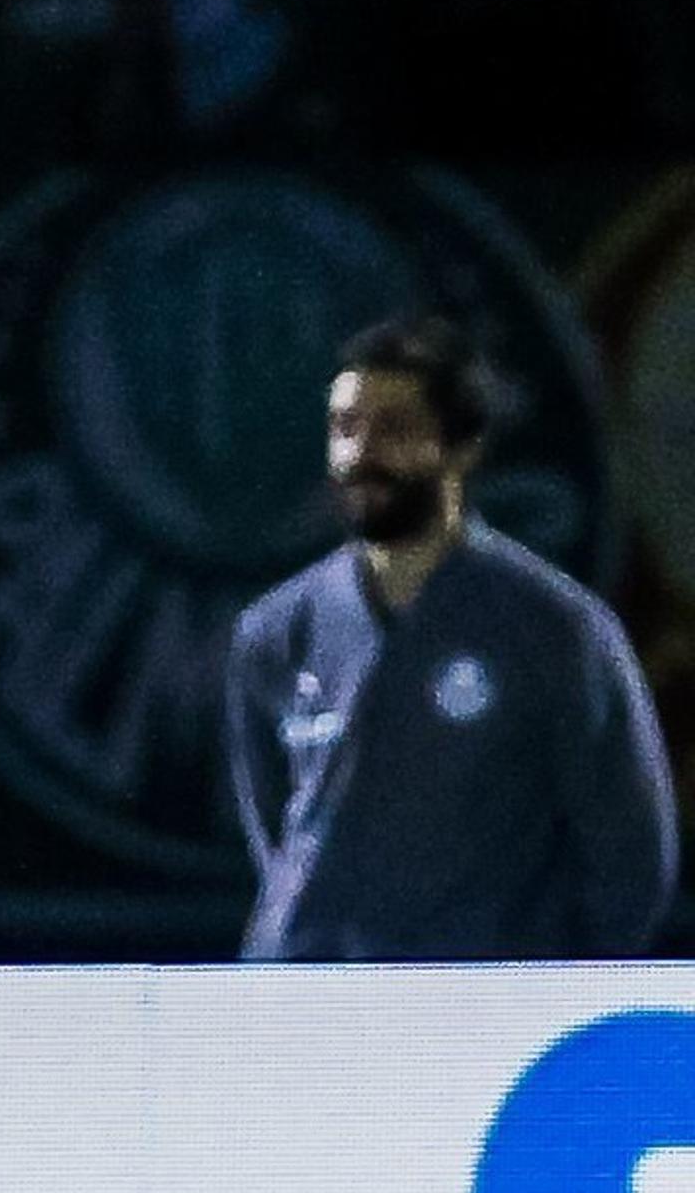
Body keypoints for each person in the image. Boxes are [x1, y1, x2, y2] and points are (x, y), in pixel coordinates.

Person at [228, 317, 677, 962]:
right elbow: (273, 828)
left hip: (479, 1013)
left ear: (461, 447)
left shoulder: (557, 630)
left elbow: (632, 859)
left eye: (394, 430)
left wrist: (547, 998)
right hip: (305, 996)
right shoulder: (276, 630)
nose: (360, 455)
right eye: (345, 428)